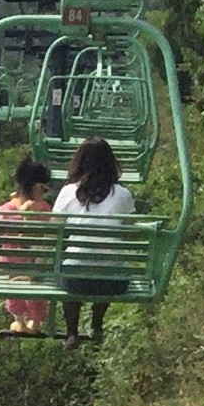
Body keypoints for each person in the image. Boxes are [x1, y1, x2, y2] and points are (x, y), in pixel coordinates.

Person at [55, 133, 136, 344]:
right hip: (112, 283)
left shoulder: (67, 192)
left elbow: (54, 229)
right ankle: (97, 324)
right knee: (108, 264)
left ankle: (72, 332)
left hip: (75, 281)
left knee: (70, 266)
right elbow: (129, 231)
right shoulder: (123, 195)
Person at [0, 154, 55, 332]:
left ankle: (18, 319)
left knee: (10, 267)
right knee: (38, 273)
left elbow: (0, 237)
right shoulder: (45, 210)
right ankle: (35, 321)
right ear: (37, 187)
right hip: (37, 269)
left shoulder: (5, 210)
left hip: (10, 269)